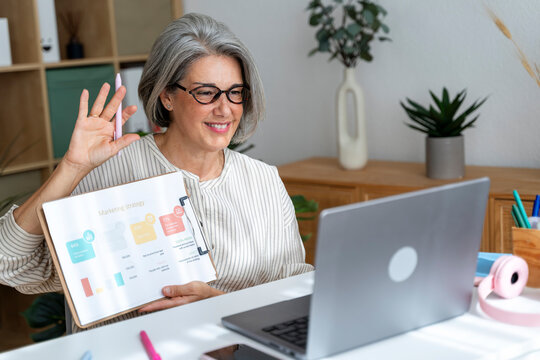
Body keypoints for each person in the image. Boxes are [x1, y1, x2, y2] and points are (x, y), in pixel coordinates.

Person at [0, 13, 313, 332]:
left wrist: (217, 307)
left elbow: (295, 293)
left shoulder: (264, 180)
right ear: (166, 95)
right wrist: (71, 168)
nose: (225, 108)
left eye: (236, 92)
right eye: (206, 92)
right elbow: (9, 264)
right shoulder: (111, 169)